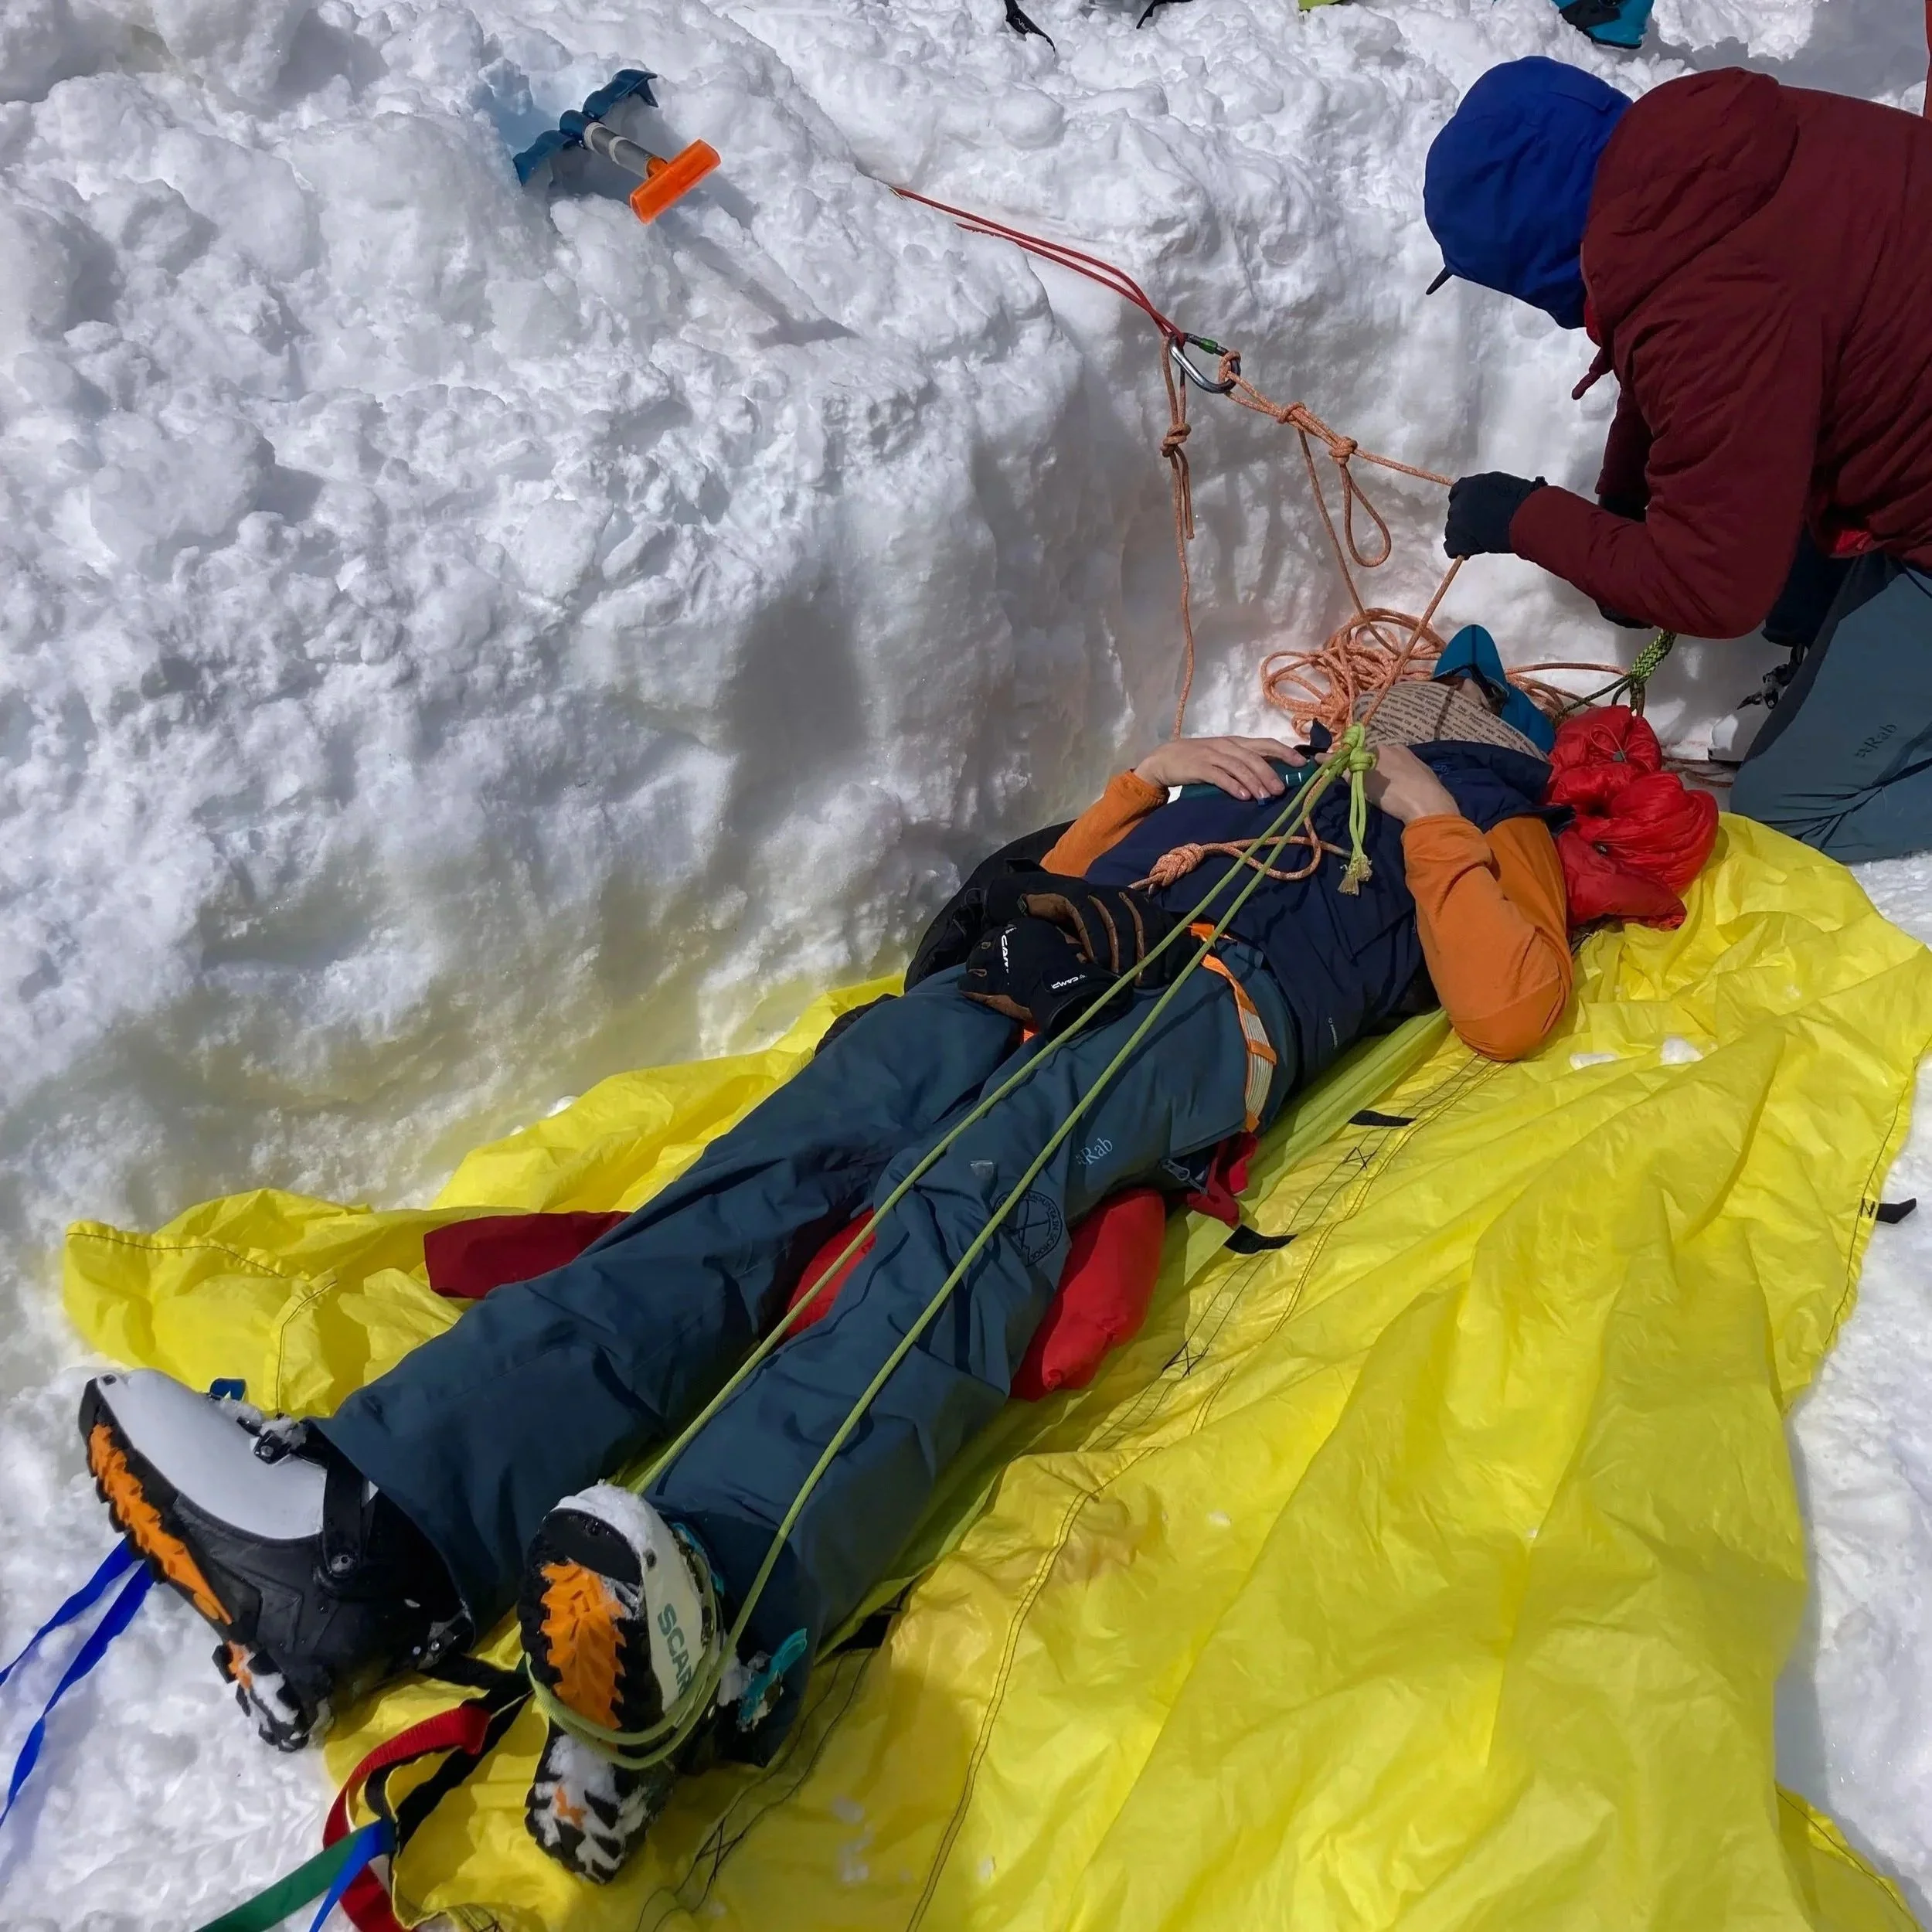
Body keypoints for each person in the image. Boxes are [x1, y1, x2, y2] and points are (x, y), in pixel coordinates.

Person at [77, 693, 1572, 1886]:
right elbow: (1015, 896)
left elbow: (1511, 1003)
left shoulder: (1495, 814)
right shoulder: (1248, 766)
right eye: (1381, 694)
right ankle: (368, 1535)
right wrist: (1138, 788)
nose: (1384, 706)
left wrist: (1439, 810)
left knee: (966, 1216)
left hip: (1194, 1015)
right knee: (749, 1187)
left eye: (1429, 701)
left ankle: (709, 1616)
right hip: (1022, 973)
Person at [1422, 56, 1932, 862]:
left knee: (1790, 812)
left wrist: (1526, 519)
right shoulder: (1716, 156)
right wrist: (1622, 506)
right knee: (1790, 559)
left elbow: (1711, 585)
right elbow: (1701, 372)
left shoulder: (1703, 305)